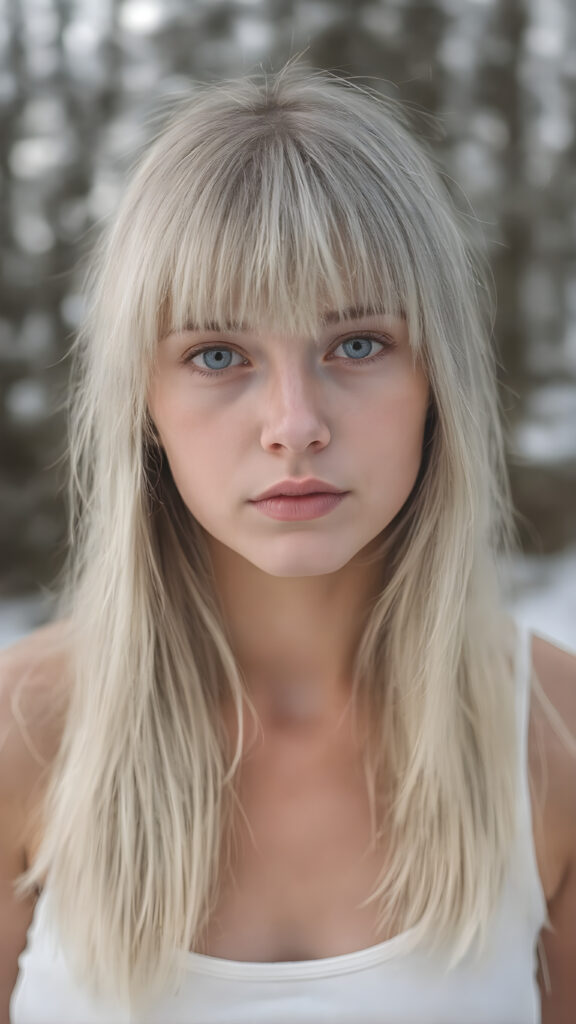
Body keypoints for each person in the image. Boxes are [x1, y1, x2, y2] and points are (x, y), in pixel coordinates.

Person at [1, 62, 575, 1024]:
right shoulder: (24, 733)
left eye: (357, 344)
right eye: (217, 356)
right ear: (144, 404)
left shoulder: (553, 738)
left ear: (438, 382)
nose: (295, 423)